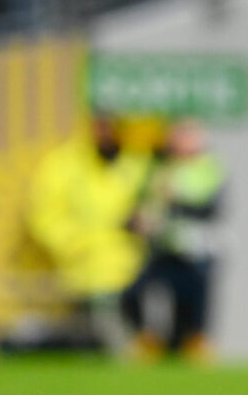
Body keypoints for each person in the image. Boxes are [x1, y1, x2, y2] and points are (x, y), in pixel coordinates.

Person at [27, 113, 151, 353]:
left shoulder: (138, 162)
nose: (105, 132)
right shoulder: (66, 163)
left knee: (127, 344)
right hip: (83, 271)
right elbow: (43, 214)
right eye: (100, 125)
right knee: (91, 344)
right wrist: (74, 245)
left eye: (112, 125)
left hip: (132, 273)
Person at [122, 119, 226, 362]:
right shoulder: (160, 167)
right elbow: (145, 201)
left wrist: (175, 200)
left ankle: (193, 344)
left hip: (196, 250)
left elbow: (209, 207)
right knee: (134, 293)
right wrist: (139, 220)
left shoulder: (207, 167)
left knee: (192, 304)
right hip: (164, 246)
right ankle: (148, 341)